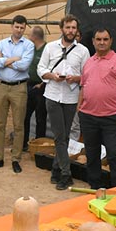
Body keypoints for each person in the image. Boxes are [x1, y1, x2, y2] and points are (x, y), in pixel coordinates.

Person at [37, 14, 89, 190]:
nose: (70, 31)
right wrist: (52, 76)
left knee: (66, 136)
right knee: (60, 136)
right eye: (67, 27)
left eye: (73, 28)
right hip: (52, 96)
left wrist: (76, 78)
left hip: (71, 98)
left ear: (77, 30)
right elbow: (41, 68)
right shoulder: (51, 47)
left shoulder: (83, 51)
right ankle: (66, 175)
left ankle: (55, 169)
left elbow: (87, 75)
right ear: (62, 29)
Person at [78, 27, 116, 189]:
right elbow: (83, 86)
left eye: (105, 39)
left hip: (111, 117)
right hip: (88, 117)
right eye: (98, 39)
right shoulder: (89, 61)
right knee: (92, 154)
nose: (102, 42)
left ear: (111, 41)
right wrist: (79, 108)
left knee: (114, 154)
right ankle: (95, 187)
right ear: (93, 42)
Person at [0, 15, 34, 173]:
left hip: (19, 88)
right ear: (12, 26)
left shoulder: (29, 45)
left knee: (19, 125)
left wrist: (4, 60)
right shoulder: (1, 43)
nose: (19, 30)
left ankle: (15, 158)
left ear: (25, 28)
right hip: (1, 87)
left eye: (22, 27)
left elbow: (24, 66)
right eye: (17, 27)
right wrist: (13, 59)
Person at [23, 26, 47, 152]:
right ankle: (23, 144)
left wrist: (42, 83)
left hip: (41, 87)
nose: (28, 37)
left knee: (40, 117)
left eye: (29, 35)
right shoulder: (31, 49)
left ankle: (40, 146)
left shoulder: (46, 49)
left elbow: (51, 67)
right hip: (29, 85)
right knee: (25, 116)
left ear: (34, 36)